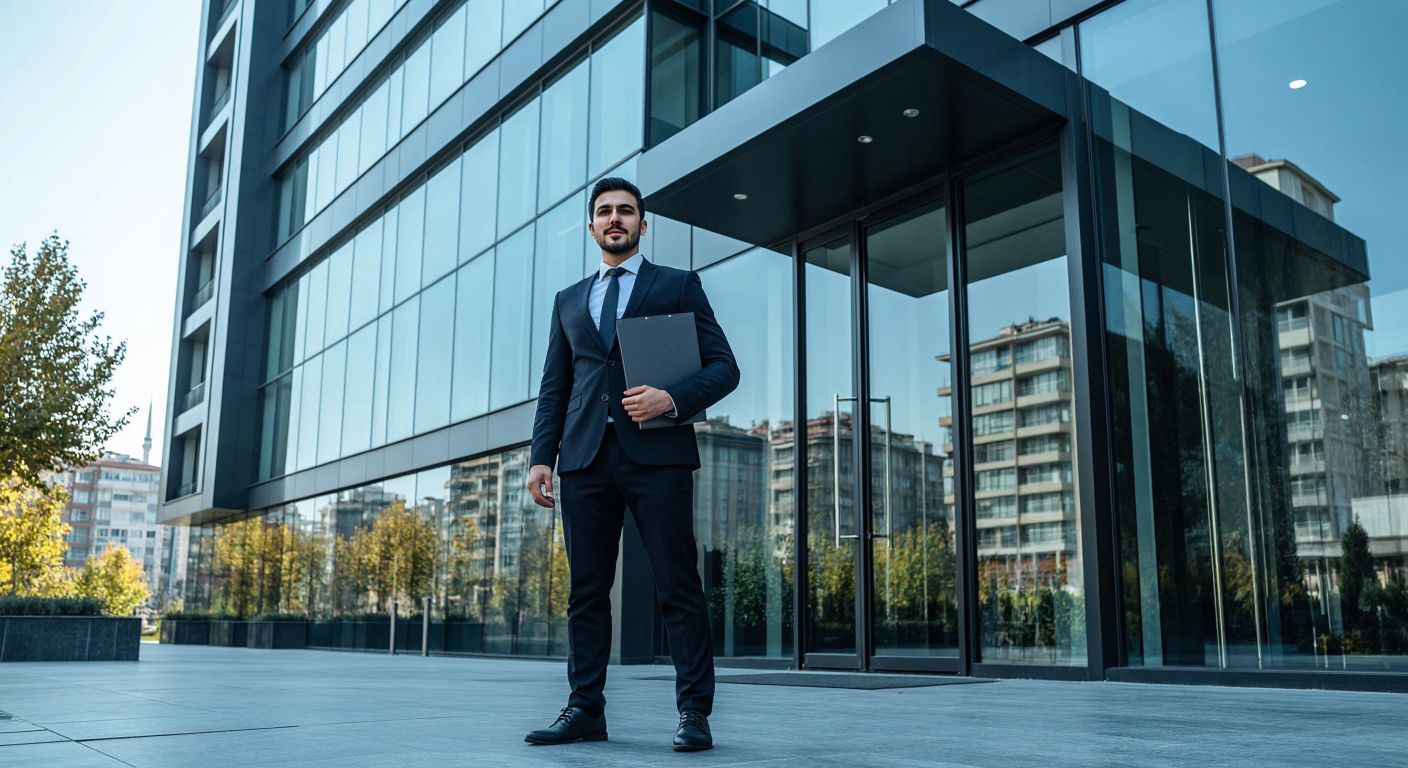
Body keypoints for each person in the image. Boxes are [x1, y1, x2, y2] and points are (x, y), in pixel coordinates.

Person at [522, 177, 739, 752]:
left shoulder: (678, 285)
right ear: (591, 227)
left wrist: (673, 399)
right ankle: (584, 708)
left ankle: (695, 712)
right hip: (585, 459)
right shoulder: (569, 300)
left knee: (678, 585)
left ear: (644, 225)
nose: (615, 219)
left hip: (658, 455)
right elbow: (555, 388)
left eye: (626, 211)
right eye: (604, 212)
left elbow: (724, 367)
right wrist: (542, 456)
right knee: (586, 591)